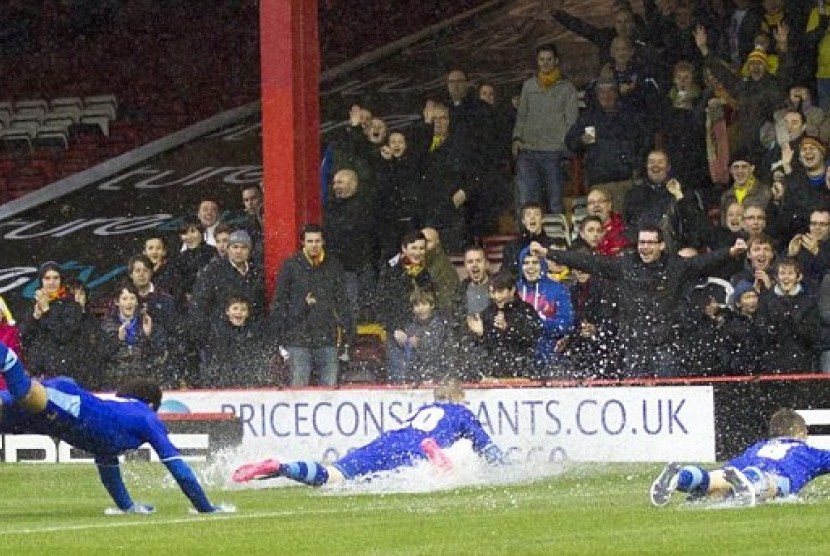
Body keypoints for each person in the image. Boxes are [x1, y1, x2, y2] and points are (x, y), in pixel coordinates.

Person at [0, 340, 230, 514]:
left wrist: (128, 507)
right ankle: (6, 356)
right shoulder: (147, 416)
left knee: (15, 402)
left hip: (52, 421)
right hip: (71, 405)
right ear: (152, 404)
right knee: (25, 393)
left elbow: (109, 469)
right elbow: (178, 468)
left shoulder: (113, 429)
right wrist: (205, 507)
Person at [231, 379, 507, 485]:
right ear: (458, 396)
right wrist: (513, 469)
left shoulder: (422, 411)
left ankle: (281, 467)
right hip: (419, 447)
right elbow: (490, 451)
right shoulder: (462, 412)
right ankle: (436, 459)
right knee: (444, 472)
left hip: (386, 440)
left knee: (332, 476)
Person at [651, 408, 830, 507]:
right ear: (800, 432)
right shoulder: (807, 451)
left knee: (716, 481)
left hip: (742, 466)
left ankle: (681, 477)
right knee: (774, 482)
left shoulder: (759, 446)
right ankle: (752, 484)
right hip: (775, 474)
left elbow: (730, 468)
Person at [270, 224, 353, 387]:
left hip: (327, 338)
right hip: (298, 338)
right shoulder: (290, 266)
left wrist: (347, 334)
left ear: (323, 242)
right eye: (310, 241)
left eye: (317, 241)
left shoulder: (334, 266)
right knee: (299, 389)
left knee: (329, 389)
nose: (314, 245)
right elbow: (280, 302)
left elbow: (343, 302)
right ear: (303, 242)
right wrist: (280, 335)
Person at [512, 43, 579, 215]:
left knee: (555, 202)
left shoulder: (567, 88)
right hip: (529, 151)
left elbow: (572, 120)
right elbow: (522, 116)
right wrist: (517, 138)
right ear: (537, 61)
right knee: (527, 201)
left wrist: (564, 144)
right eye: (542, 59)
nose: (546, 63)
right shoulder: (528, 86)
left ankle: (556, 240)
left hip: (553, 152)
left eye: (549, 59)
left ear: (556, 60)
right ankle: (526, 239)